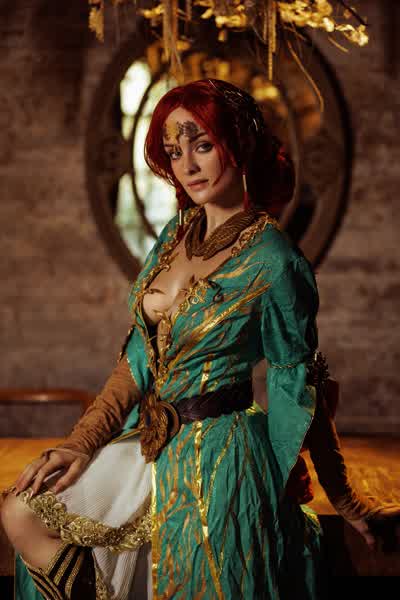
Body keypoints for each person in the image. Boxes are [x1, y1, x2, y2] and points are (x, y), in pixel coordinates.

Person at [1, 78, 399, 600]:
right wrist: (80, 443)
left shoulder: (276, 260)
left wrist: (344, 498)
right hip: (151, 440)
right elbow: (137, 360)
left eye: (202, 145)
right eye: (174, 151)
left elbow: (298, 381)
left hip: (222, 456)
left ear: (239, 145)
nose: (187, 165)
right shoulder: (174, 235)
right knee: (22, 511)